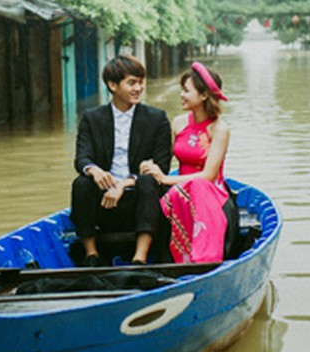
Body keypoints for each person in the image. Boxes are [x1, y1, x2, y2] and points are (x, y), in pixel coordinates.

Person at [71, 54, 173, 266]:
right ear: (112, 85)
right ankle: (91, 254)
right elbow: (82, 157)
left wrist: (125, 183)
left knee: (148, 181)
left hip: (140, 196)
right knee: (81, 183)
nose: (139, 88)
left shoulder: (157, 119)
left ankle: (140, 257)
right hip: (104, 198)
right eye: (132, 83)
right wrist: (94, 170)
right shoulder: (92, 118)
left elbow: (162, 166)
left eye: (141, 82)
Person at [140, 62, 232, 264]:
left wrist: (166, 179)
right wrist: (151, 166)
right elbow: (163, 158)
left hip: (210, 191)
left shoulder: (219, 129)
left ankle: (204, 258)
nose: (181, 95)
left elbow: (208, 175)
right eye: (182, 90)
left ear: (204, 95)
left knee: (198, 185)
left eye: (186, 91)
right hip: (179, 190)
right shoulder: (179, 123)